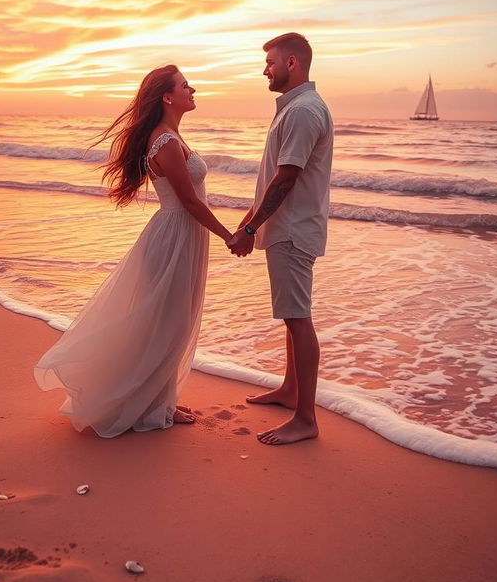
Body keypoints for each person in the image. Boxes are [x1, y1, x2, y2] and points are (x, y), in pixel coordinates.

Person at [35, 65, 233, 437]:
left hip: (181, 234)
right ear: (167, 97)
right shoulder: (166, 142)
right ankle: (150, 404)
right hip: (176, 234)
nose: (193, 89)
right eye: (185, 85)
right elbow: (189, 201)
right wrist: (229, 236)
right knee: (168, 321)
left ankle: (161, 398)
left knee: (172, 319)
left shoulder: (171, 136)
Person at [228, 33, 333, 445]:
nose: (265, 69)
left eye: (270, 62)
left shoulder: (305, 111)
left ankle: (306, 418)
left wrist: (250, 229)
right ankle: (290, 391)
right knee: (292, 317)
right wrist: (250, 220)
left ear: (293, 62)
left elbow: (285, 180)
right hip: (286, 226)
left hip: (292, 230)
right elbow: (276, 175)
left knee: (297, 318)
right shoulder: (295, 108)